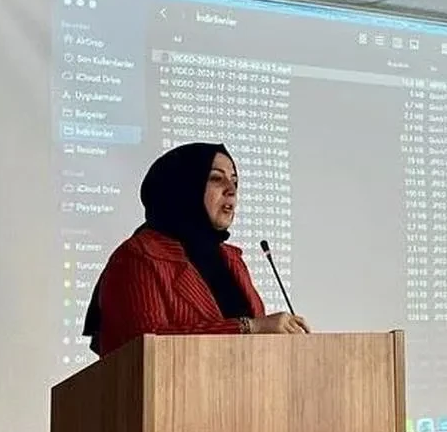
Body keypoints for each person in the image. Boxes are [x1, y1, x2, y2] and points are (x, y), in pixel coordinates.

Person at [82, 142, 308, 356]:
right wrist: (249, 327)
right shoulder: (138, 256)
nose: (231, 190)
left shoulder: (232, 259)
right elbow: (145, 345)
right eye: (216, 178)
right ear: (185, 187)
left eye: (235, 181)